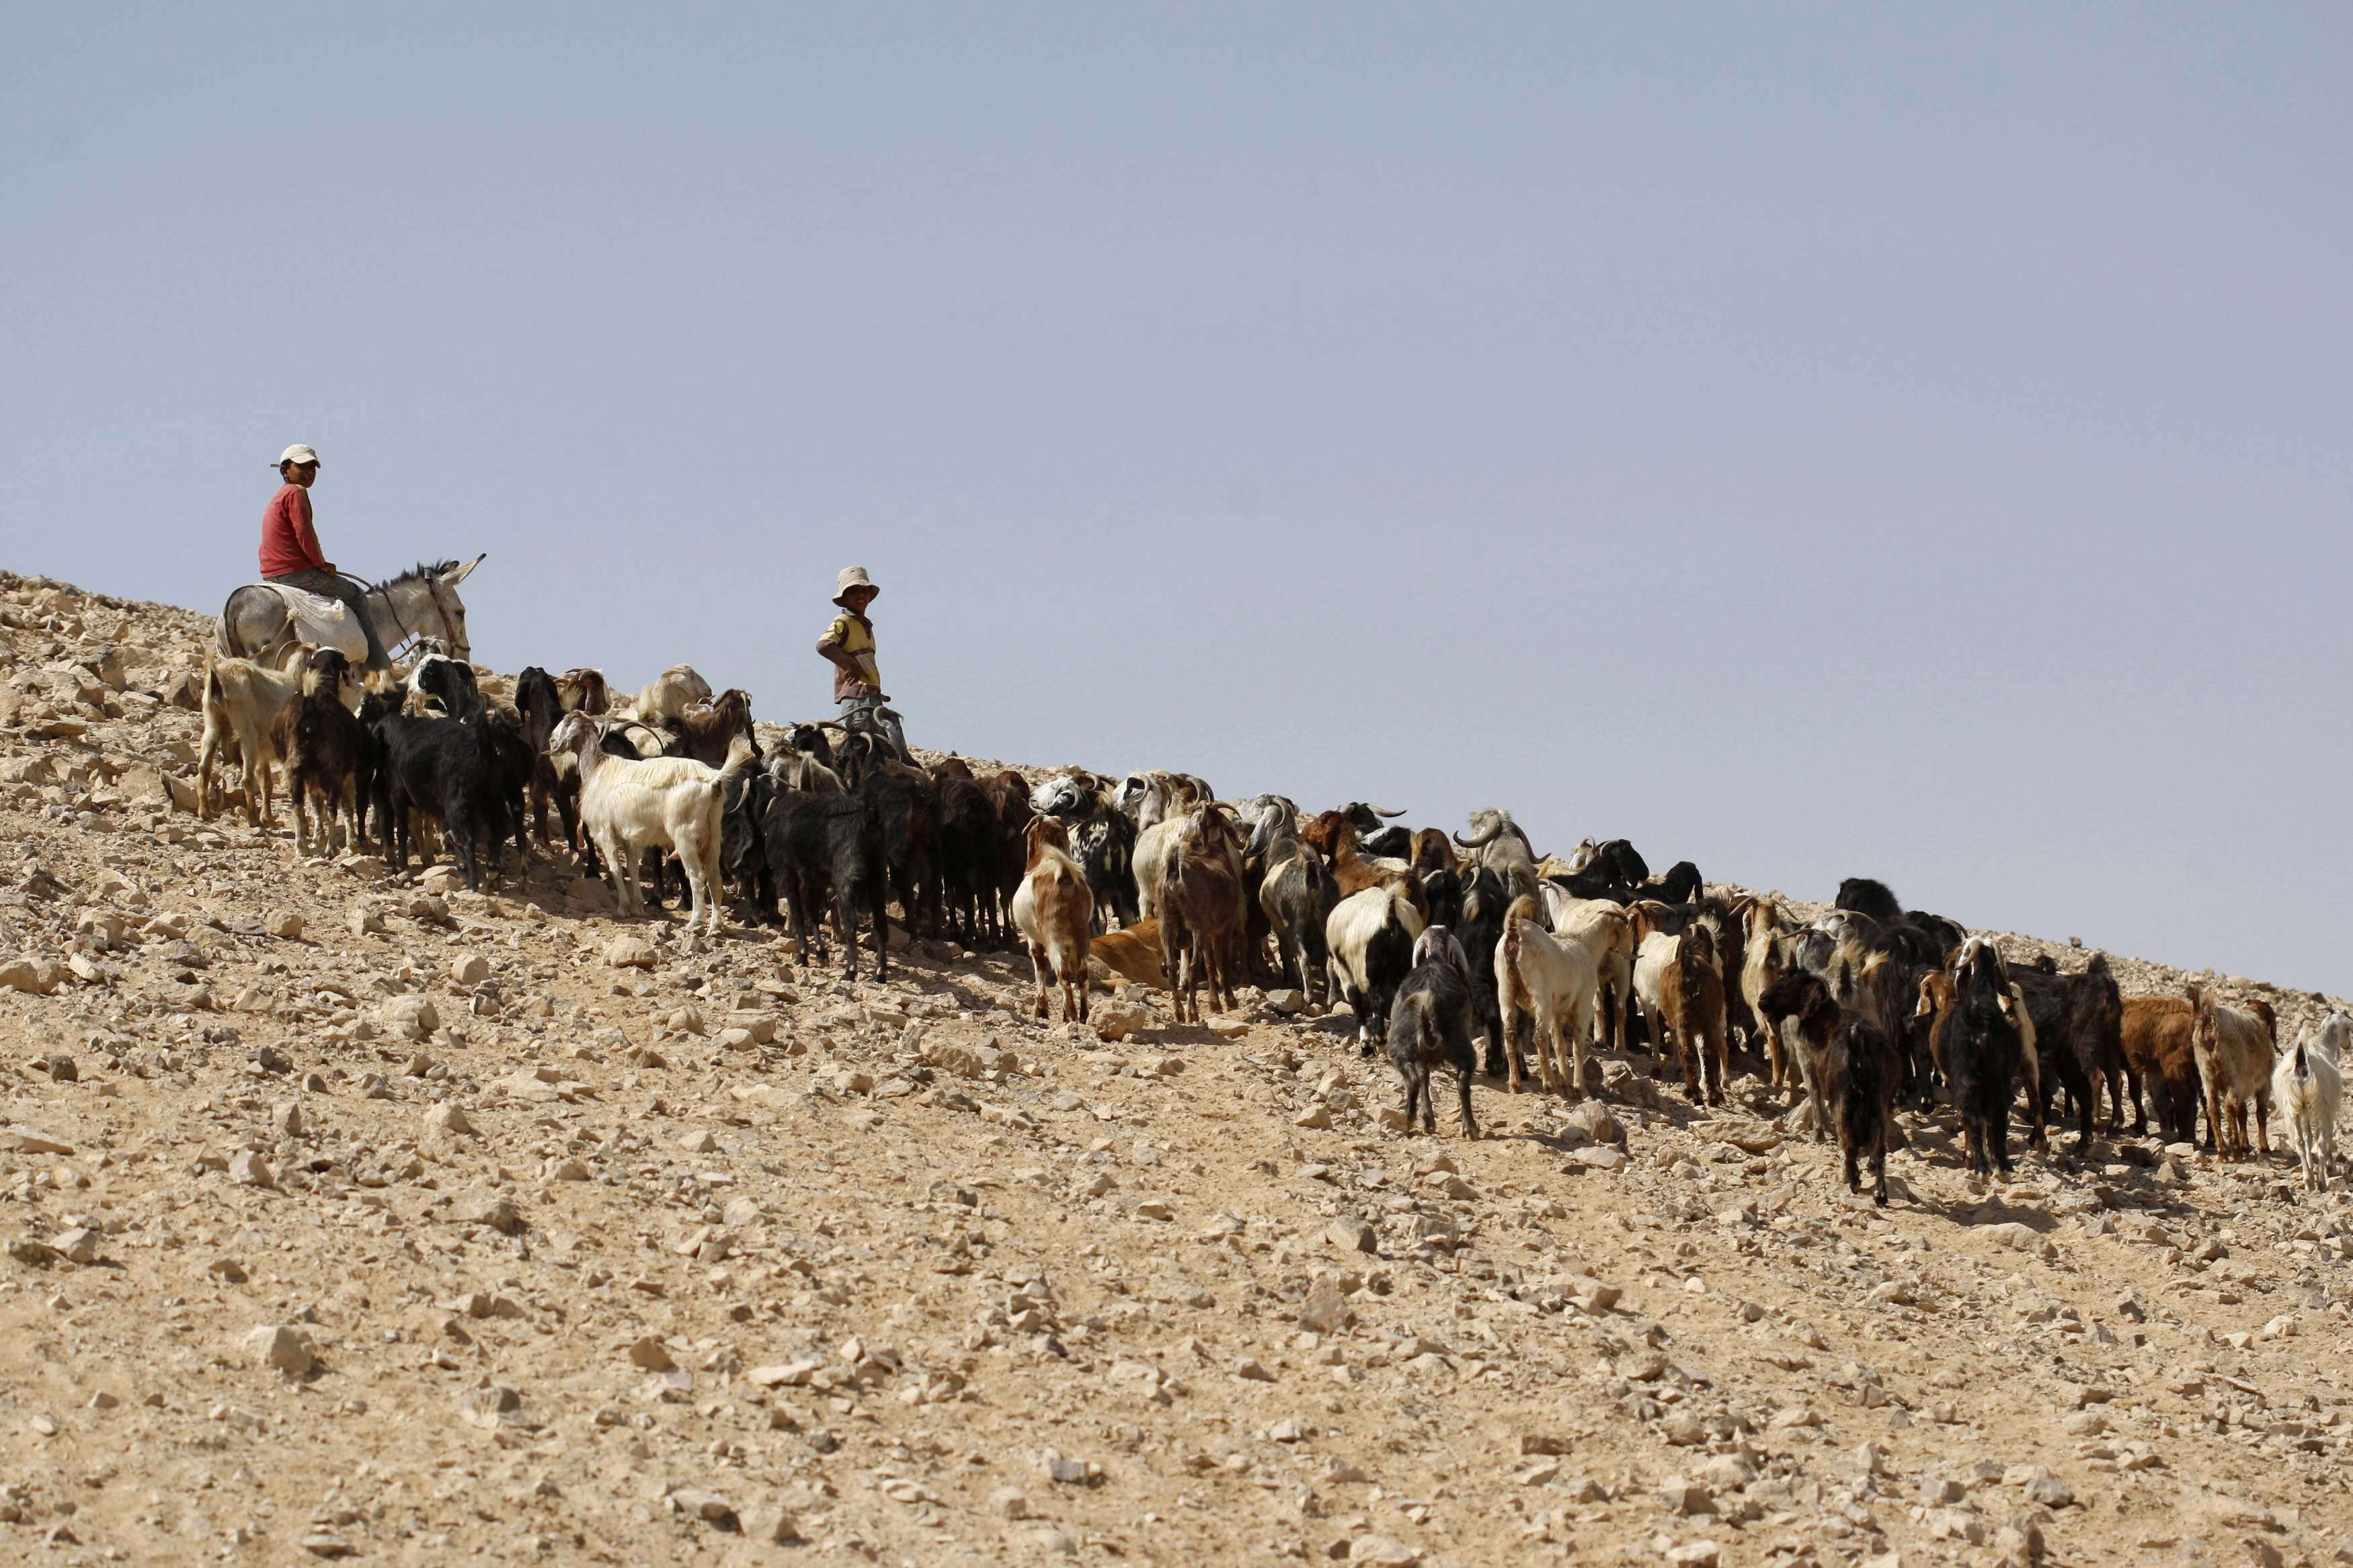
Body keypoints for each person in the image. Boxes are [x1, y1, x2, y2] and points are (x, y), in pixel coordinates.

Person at [260, 444, 390, 671]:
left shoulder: (279, 496)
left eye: (313, 467)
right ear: (285, 471)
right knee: (358, 596)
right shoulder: (296, 493)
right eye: (301, 466)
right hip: (296, 573)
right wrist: (321, 564)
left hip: (272, 573)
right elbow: (305, 534)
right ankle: (378, 667)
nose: (309, 472)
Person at [816, 566, 909, 759]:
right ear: (845, 597)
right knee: (864, 754)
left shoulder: (864, 624)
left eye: (864, 590)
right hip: (858, 696)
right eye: (854, 591)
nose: (861, 595)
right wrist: (851, 665)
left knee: (885, 754)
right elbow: (824, 645)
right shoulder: (843, 621)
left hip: (871, 696)